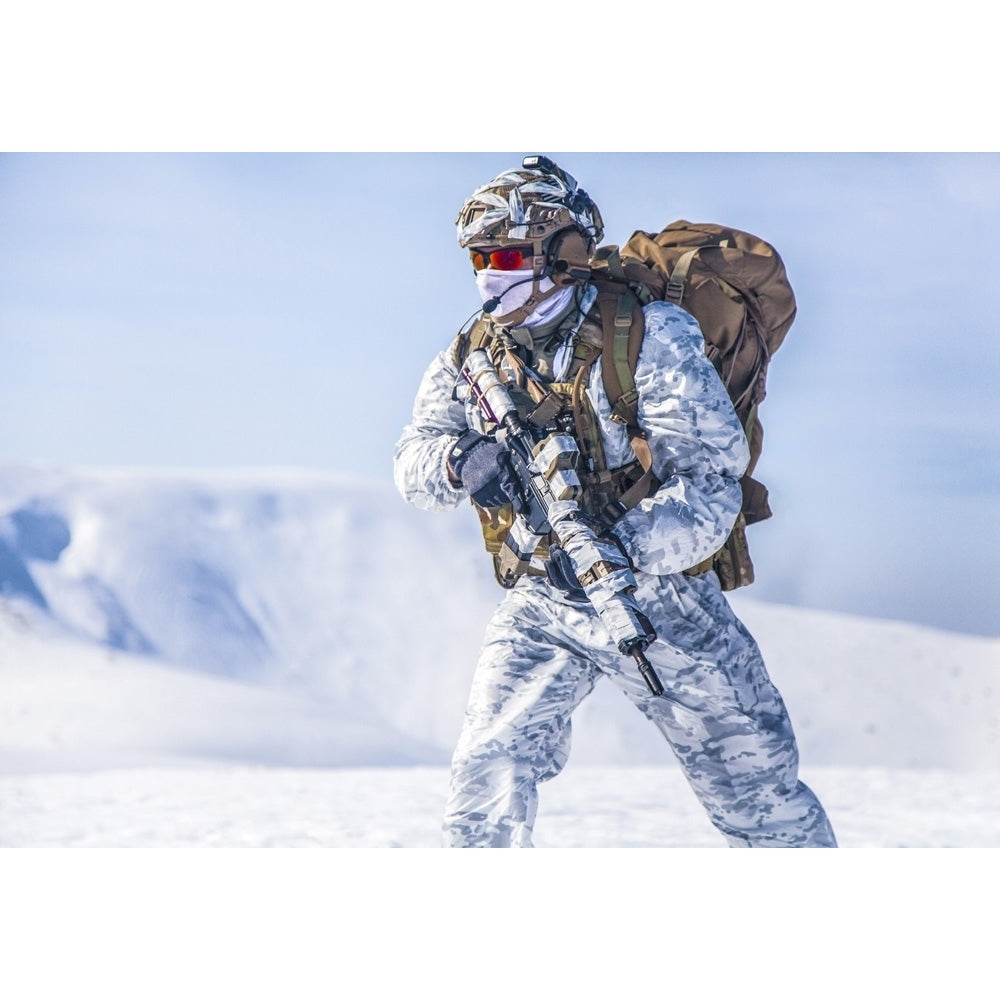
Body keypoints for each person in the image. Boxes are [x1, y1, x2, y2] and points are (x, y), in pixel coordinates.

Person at [393, 155, 837, 848]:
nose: (490, 273)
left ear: (561, 253)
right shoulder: (472, 355)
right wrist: (457, 464)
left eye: (508, 254)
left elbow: (712, 483)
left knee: (759, 796)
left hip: (665, 601)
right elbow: (411, 457)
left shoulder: (650, 337)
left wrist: (624, 550)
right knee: (486, 780)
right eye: (480, 258)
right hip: (543, 598)